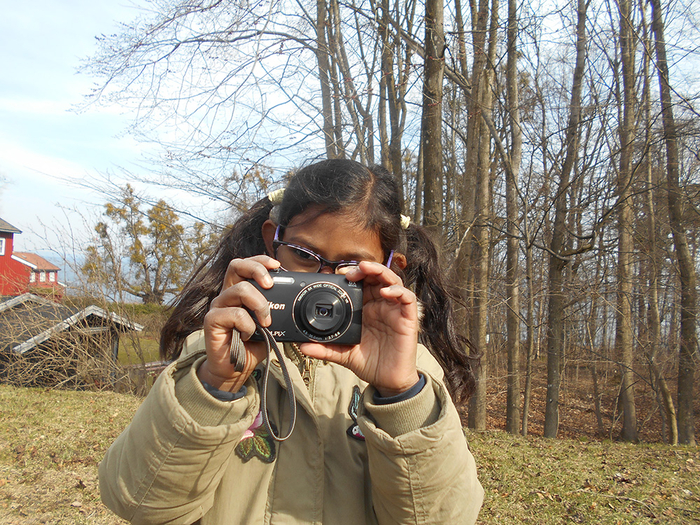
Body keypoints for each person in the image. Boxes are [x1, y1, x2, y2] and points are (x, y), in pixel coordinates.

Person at [99, 159, 484, 524]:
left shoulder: (411, 373)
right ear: (273, 242)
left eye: (351, 266)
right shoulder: (213, 354)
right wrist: (217, 385)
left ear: (389, 268)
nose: (324, 284)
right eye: (303, 255)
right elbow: (139, 503)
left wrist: (399, 396)